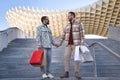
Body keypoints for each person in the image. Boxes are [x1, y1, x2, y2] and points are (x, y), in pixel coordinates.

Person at [58, 12, 85, 79]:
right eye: (68, 16)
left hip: (76, 44)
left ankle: (76, 73)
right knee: (66, 57)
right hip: (68, 44)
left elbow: (82, 32)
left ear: (73, 16)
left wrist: (82, 41)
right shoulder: (67, 25)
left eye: (69, 16)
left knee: (76, 58)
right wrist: (60, 43)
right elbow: (63, 35)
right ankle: (66, 73)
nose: (68, 17)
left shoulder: (79, 23)